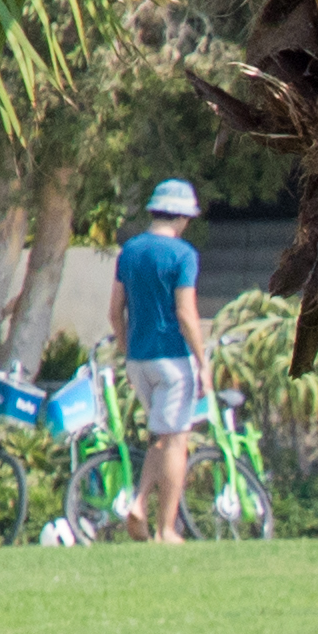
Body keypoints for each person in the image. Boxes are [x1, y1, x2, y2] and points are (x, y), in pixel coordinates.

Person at [111, 177, 214, 540]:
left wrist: (128, 350)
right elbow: (186, 314)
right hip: (172, 359)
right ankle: (165, 528)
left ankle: (138, 503)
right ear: (183, 218)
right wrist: (203, 363)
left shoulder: (130, 251)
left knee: (161, 435)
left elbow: (115, 312)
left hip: (138, 360)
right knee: (176, 441)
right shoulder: (183, 255)